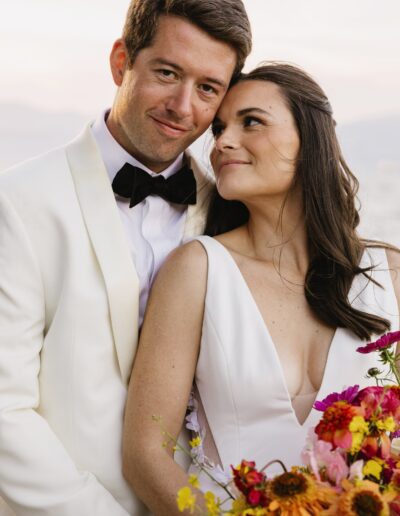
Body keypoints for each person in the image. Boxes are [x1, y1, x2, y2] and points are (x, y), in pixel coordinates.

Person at [0, 1, 252, 515]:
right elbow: (5, 409)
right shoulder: (18, 201)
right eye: (167, 73)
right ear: (121, 62)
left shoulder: (232, 212)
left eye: (208, 88)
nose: (183, 106)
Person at [122, 63, 400, 514]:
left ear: (310, 140)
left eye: (251, 121)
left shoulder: (389, 274)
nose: (223, 142)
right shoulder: (197, 270)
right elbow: (145, 455)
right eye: (219, 128)